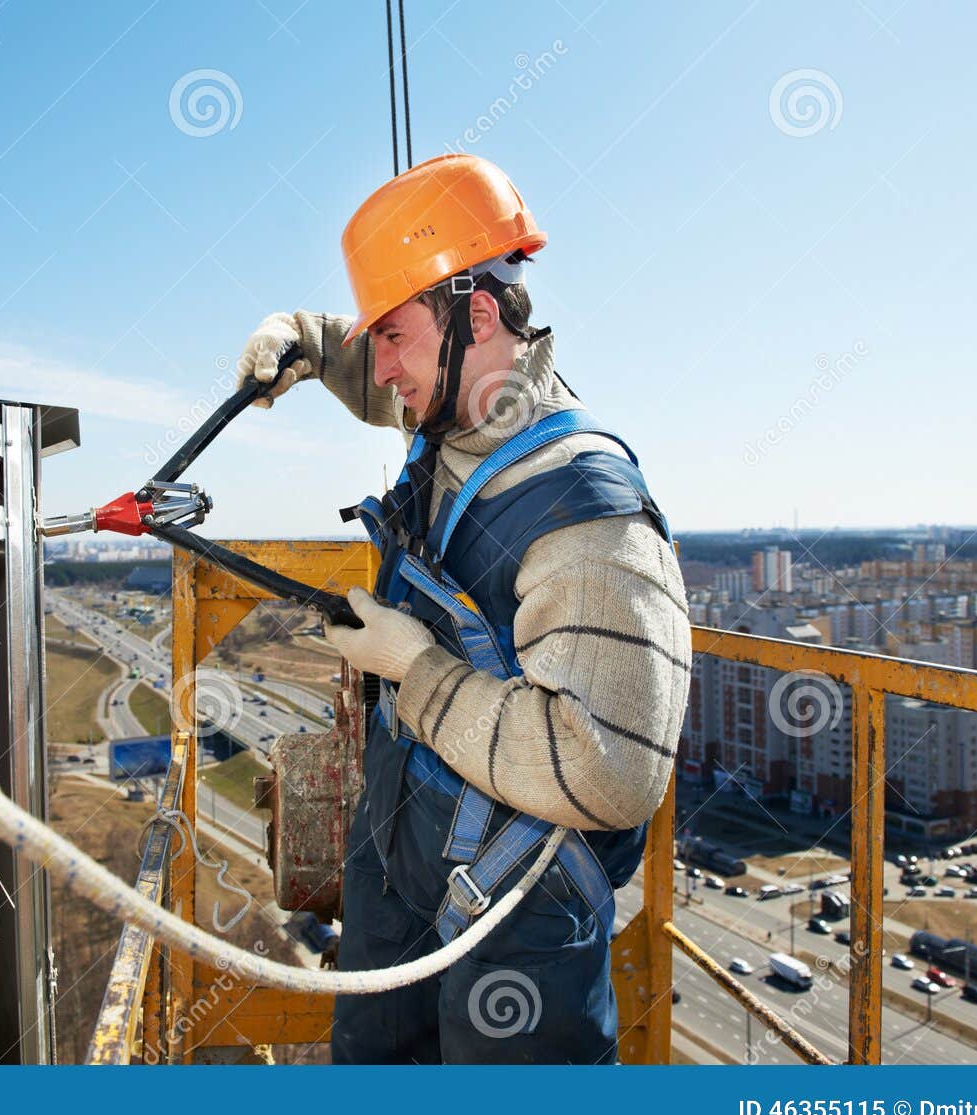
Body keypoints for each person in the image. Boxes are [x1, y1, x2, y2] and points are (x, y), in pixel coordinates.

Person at [234, 154, 691, 1063]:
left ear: (479, 315)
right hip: (403, 851)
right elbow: (382, 373)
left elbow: (612, 773)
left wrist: (417, 670)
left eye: (394, 335)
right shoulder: (453, 414)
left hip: (517, 914)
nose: (384, 365)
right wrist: (306, 338)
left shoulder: (587, 508)